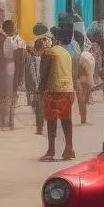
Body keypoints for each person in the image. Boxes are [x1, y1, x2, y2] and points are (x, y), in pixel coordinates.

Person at [37, 27, 75, 162]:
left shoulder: (48, 53)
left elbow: (44, 74)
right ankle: (69, 148)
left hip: (54, 90)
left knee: (52, 120)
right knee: (66, 120)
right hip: (68, 89)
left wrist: (39, 91)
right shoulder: (66, 53)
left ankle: (51, 150)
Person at [0, 19, 19, 129]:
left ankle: (4, 122)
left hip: (0, 70)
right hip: (9, 71)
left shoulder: (0, 40)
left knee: (2, 97)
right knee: (8, 97)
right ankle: (8, 122)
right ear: (13, 29)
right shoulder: (14, 42)